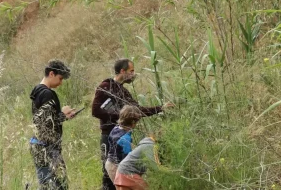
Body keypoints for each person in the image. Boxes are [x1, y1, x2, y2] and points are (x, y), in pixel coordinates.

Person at [92, 58, 174, 190]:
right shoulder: (105, 87)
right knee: (108, 176)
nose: (133, 74)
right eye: (131, 71)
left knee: (119, 175)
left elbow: (137, 111)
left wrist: (160, 108)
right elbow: (95, 111)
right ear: (122, 71)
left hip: (122, 132)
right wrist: (121, 115)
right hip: (108, 135)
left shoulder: (124, 92)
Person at [29, 59, 76, 190]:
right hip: (47, 147)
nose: (61, 83)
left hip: (38, 145)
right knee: (58, 185)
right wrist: (63, 114)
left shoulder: (37, 91)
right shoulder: (47, 93)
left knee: (46, 184)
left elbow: (43, 120)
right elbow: (45, 125)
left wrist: (62, 116)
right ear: (51, 74)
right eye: (60, 78)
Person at [105, 105, 142, 185]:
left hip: (109, 163)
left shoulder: (116, 128)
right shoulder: (125, 139)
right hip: (117, 167)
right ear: (133, 122)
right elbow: (127, 159)